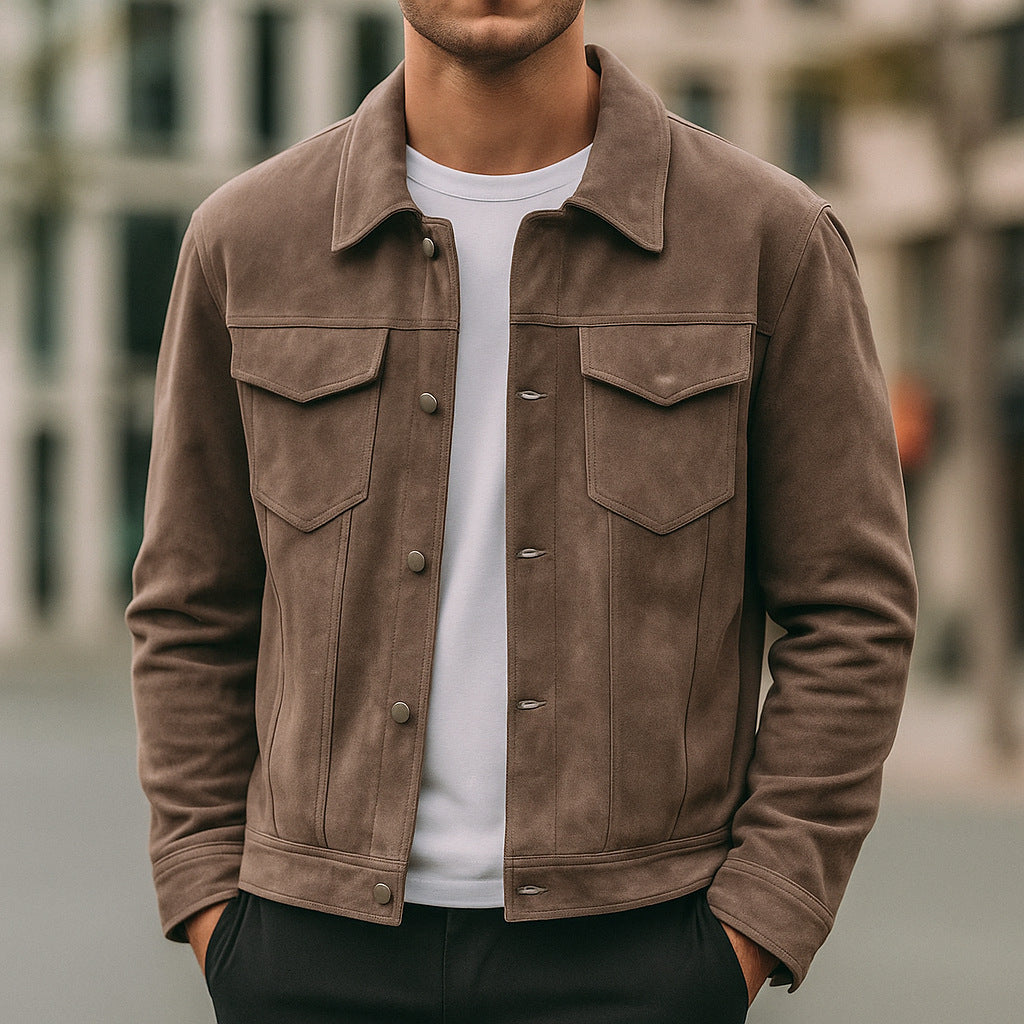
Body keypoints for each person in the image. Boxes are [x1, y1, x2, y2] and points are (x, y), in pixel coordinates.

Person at [126, 2, 918, 1021]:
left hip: (639, 951)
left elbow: (851, 610)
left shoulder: (766, 240)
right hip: (306, 952)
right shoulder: (246, 241)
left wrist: (751, 926)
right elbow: (190, 605)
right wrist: (210, 901)